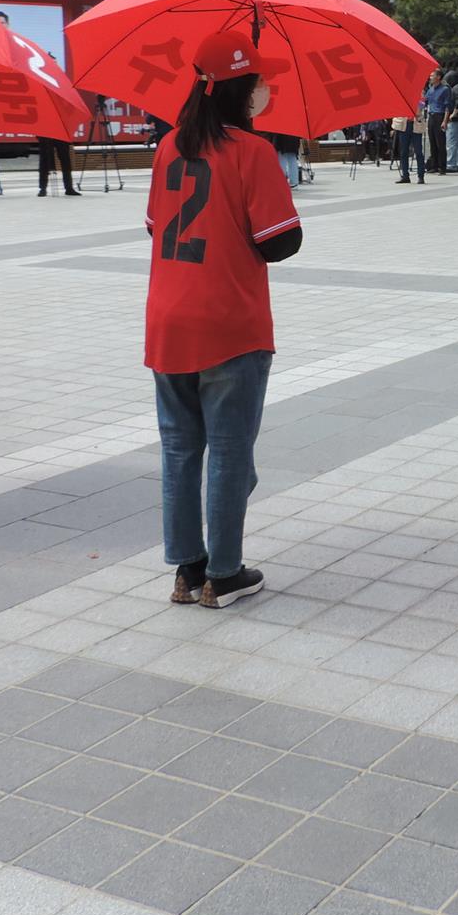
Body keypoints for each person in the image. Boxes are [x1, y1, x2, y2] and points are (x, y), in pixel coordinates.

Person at [147, 36, 302, 609]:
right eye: (259, 81)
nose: (265, 90)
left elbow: (154, 225)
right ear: (242, 89)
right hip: (230, 323)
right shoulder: (253, 152)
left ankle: (187, 570)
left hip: (168, 320)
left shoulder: (169, 145)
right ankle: (225, 572)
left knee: (180, 450)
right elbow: (280, 242)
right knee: (231, 453)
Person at [421, 71, 451, 174]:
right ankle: (434, 165)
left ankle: (442, 167)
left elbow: (447, 106)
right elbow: (424, 102)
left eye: (432, 76)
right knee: (432, 142)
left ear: (438, 77)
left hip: (440, 116)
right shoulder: (430, 90)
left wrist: (445, 121)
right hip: (431, 116)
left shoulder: (445, 89)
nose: (430, 78)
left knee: (440, 143)